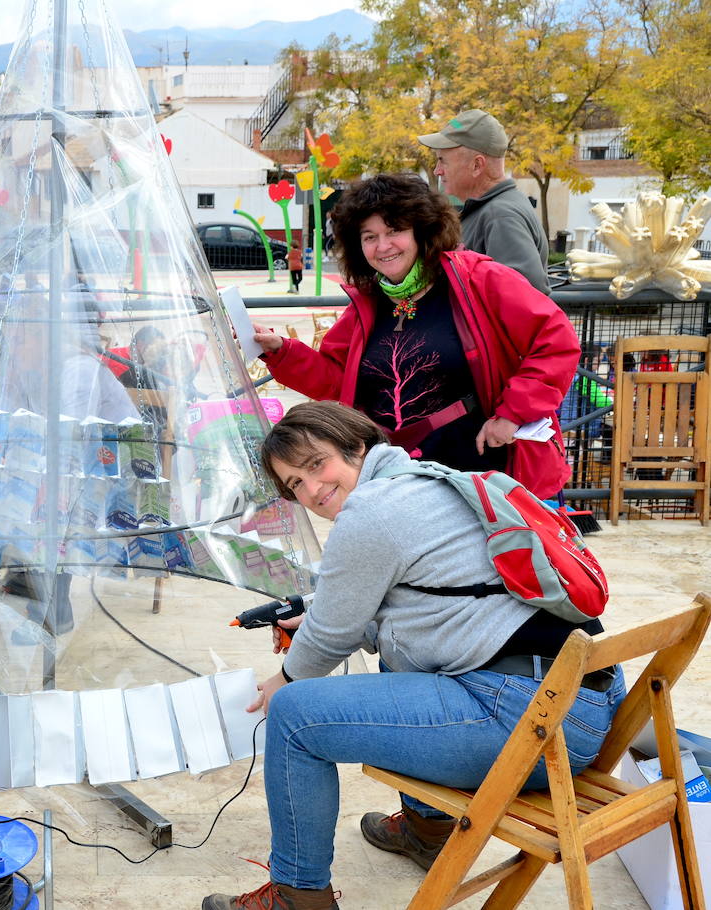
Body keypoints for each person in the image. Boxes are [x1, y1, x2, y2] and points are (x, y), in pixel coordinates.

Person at [200, 401, 623, 910]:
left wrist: (285, 678)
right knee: (398, 659)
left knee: (293, 715)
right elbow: (418, 602)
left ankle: (298, 896)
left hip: (534, 731)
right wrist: (316, 619)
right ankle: (428, 831)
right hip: (584, 709)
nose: (311, 490)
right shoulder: (429, 480)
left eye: (316, 465)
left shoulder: (372, 512)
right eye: (294, 484)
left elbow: (332, 635)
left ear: (356, 446)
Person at [252, 173, 579, 500]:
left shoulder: (479, 278)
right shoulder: (368, 302)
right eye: (369, 236)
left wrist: (512, 414)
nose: (383, 246)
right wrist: (281, 351)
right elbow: (337, 382)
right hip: (399, 484)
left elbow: (556, 342)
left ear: (423, 231)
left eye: (394, 231)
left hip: (482, 479)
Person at [418, 108, 550, 293]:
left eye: (443, 160)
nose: (437, 170)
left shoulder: (501, 215)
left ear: (477, 165)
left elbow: (524, 298)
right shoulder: (493, 209)